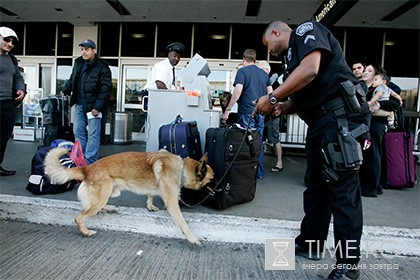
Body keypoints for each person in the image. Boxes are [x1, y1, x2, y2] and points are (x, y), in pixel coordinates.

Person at [254, 20, 371, 280]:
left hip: (340, 118)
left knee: (342, 191)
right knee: (316, 185)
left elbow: (311, 71)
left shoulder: (307, 31)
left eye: (267, 44)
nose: (268, 50)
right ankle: (311, 242)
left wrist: (272, 97)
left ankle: (348, 266)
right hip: (321, 123)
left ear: (276, 32)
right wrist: (284, 106)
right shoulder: (290, 61)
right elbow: (302, 93)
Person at [221, 49, 272, 180]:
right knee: (258, 142)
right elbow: (271, 94)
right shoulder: (264, 74)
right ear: (255, 60)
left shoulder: (242, 72)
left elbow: (237, 92)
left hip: (246, 112)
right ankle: (258, 172)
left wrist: (227, 110)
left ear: (244, 59)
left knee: (245, 142)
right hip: (261, 113)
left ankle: (245, 173)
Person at [61, 39, 112, 165]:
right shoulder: (78, 63)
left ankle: (90, 162)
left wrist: (98, 107)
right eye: (82, 49)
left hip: (94, 107)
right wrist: (65, 90)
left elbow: (106, 90)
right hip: (79, 105)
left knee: (93, 135)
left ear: (94, 51)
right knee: (78, 132)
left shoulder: (102, 68)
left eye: (87, 49)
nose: (84, 52)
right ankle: (80, 159)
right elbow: (72, 80)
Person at [359, 64, 401, 197]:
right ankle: (371, 185)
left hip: (376, 126)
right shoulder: (362, 86)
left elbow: (395, 104)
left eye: (369, 71)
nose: (365, 72)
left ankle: (372, 187)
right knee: (367, 155)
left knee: (373, 155)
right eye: (365, 70)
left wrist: (378, 105)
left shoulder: (384, 87)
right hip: (365, 124)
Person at [0, 27, 26, 176]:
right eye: (6, 40)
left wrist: (20, 88)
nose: (9, 44)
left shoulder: (11, 59)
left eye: (12, 42)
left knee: (4, 137)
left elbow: (18, 77)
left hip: (7, 103)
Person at [257, 60, 283, 172]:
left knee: (274, 138)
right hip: (264, 114)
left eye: (260, 70)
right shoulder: (263, 82)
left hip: (272, 115)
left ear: (267, 70)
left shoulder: (274, 83)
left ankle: (279, 162)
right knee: (261, 139)